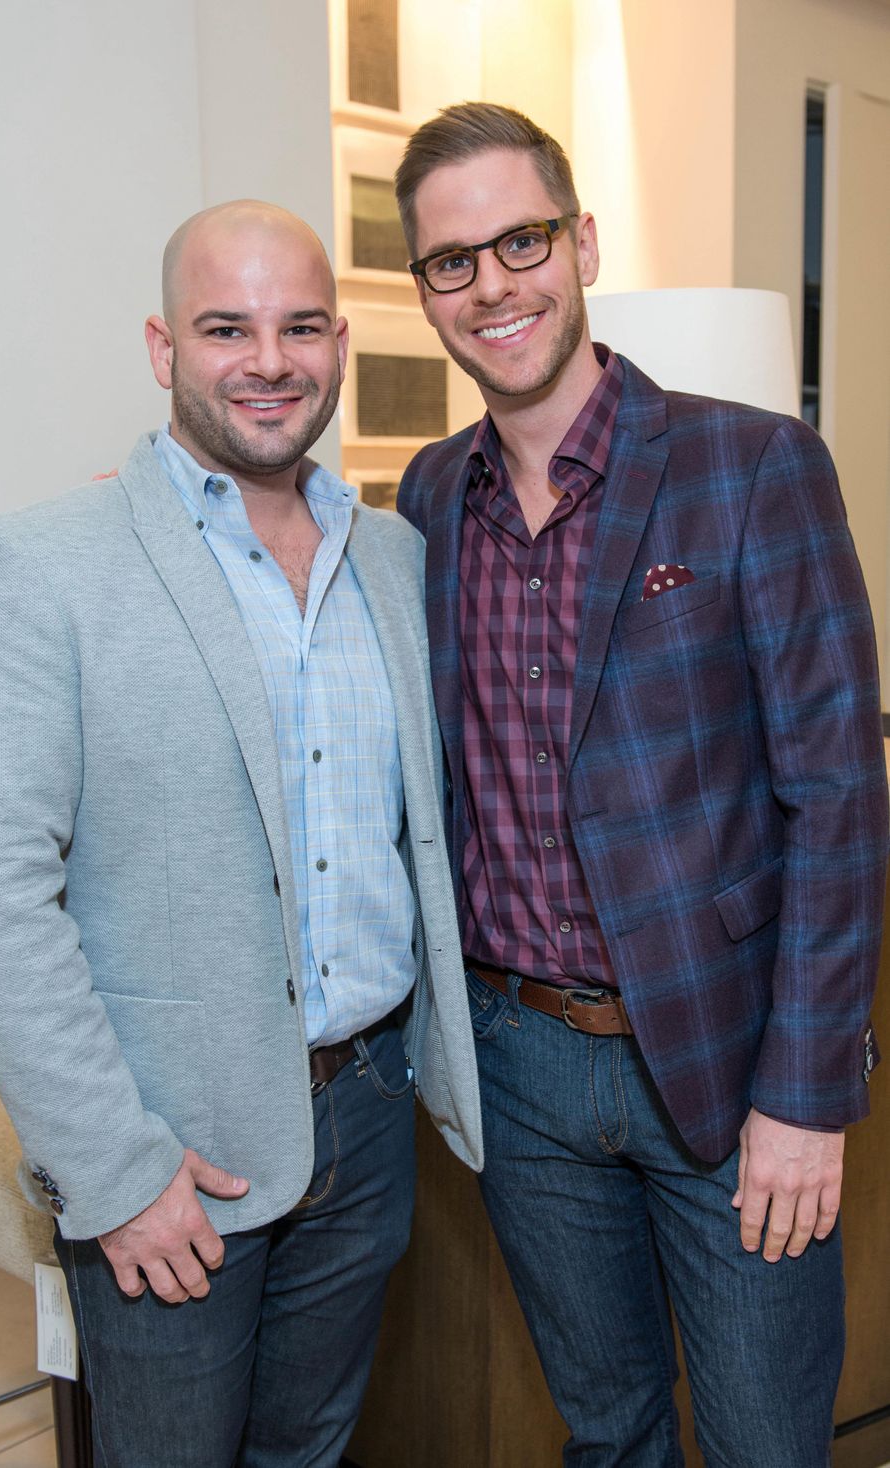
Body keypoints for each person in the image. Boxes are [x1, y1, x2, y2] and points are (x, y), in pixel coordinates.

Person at [0, 200, 482, 1468]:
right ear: (164, 349)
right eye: (227, 328)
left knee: (309, 1451)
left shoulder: (395, 555)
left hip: (367, 1111)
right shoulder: (39, 565)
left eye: (297, 328)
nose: (267, 360)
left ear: (337, 343)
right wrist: (114, 1172)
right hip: (173, 1151)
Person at [393, 102, 887, 1466]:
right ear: (425, 290)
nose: (493, 283)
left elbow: (839, 799)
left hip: (729, 1070)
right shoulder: (429, 500)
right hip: (521, 1064)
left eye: (522, 238)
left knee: (763, 1444)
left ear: (582, 242)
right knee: (606, 1435)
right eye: (452, 260)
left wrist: (806, 1096)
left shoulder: (752, 467)